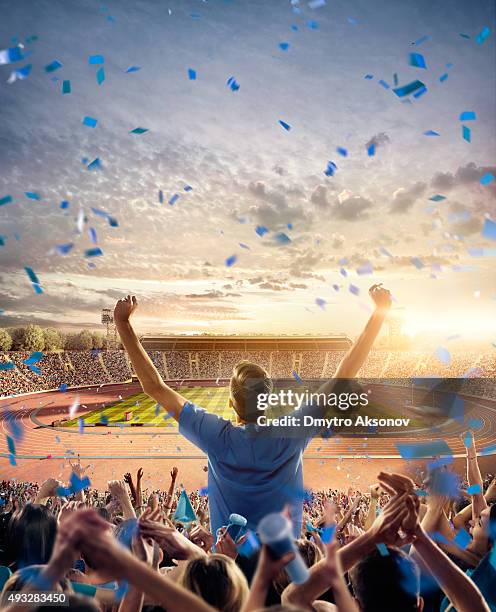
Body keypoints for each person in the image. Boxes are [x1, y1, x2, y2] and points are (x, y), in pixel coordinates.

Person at [113, 285, 392, 536]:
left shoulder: (217, 436)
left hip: (229, 567)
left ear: (232, 403)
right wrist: (379, 312)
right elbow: (345, 372)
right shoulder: (292, 431)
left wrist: (122, 323)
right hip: (285, 568)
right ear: (267, 402)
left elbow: (156, 388)